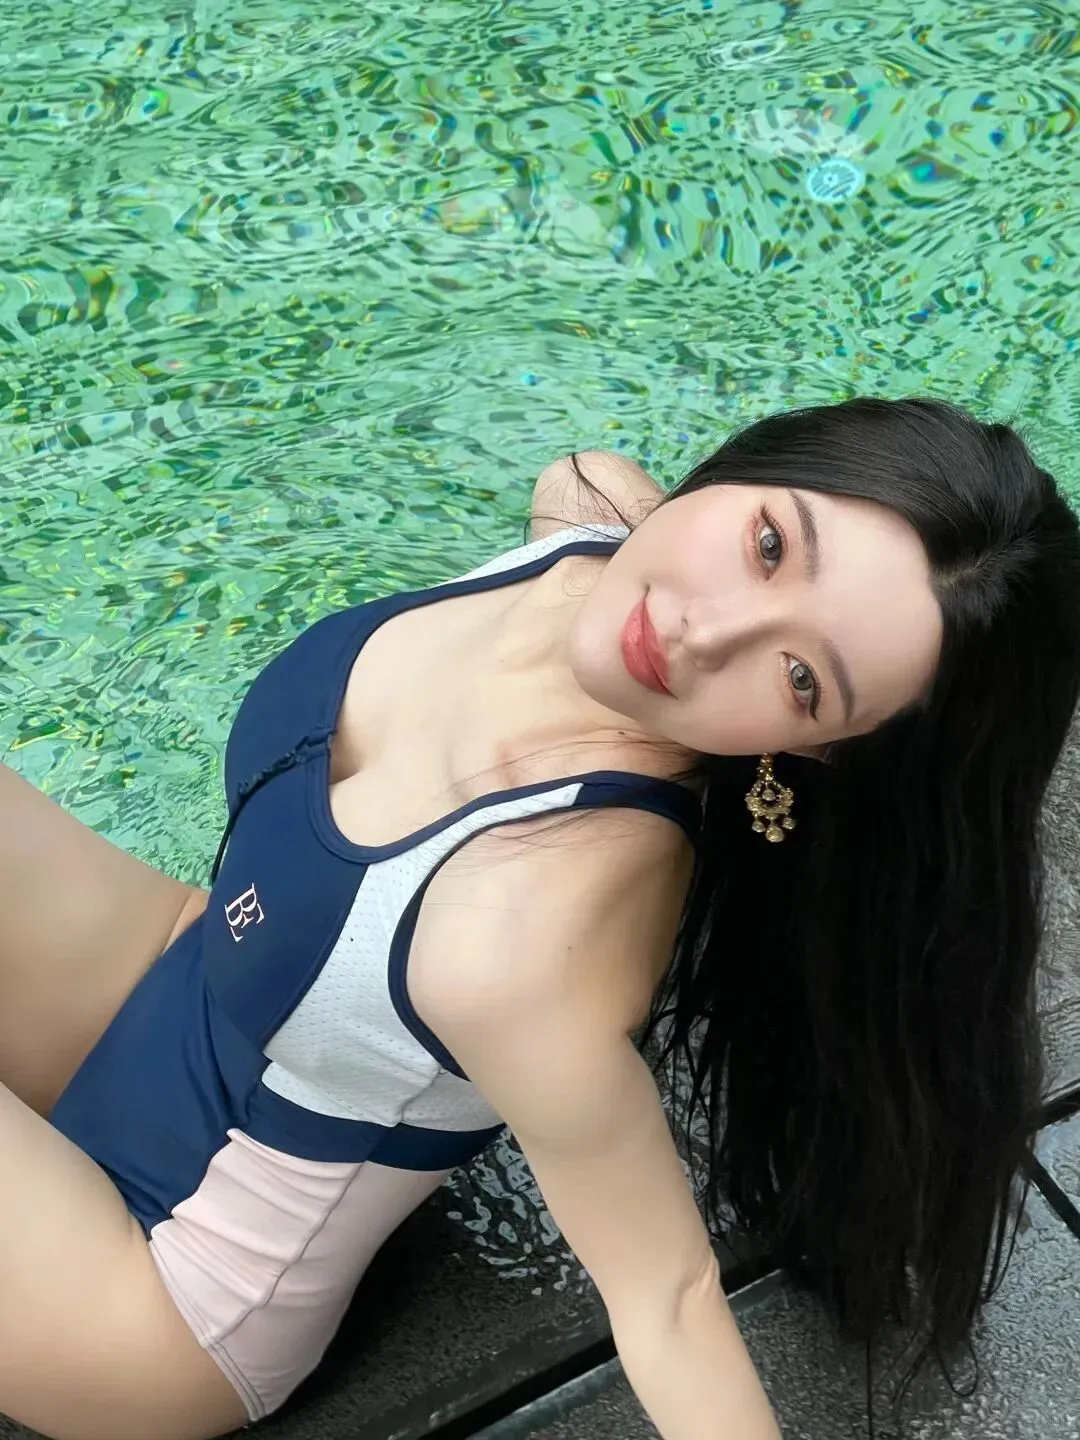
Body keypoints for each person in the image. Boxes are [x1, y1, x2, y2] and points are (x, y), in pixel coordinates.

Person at [1, 395, 1077, 1440]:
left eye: (800, 678)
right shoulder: (588, 517)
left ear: (819, 753)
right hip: (169, 974)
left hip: (166, 1293)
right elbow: (587, 486)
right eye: (768, 545)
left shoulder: (520, 936)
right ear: (755, 462)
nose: (701, 631)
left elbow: (669, 1300)